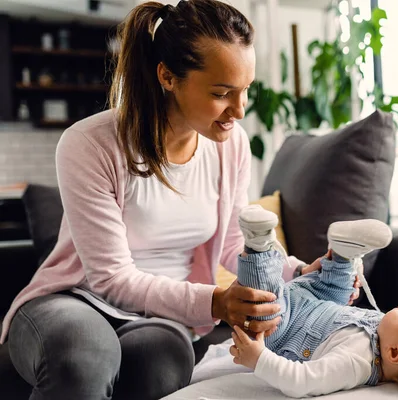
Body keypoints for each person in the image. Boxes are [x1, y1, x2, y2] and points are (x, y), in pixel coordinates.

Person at [2, 1, 355, 399]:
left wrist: (301, 272)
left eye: (245, 91)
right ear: (167, 76)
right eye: (222, 93)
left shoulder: (231, 146)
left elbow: (235, 243)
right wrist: (216, 302)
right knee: (84, 354)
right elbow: (110, 278)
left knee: (165, 358)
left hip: (158, 317)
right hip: (76, 300)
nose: (238, 111)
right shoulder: (90, 144)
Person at [228, 205, 398, 398]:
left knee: (262, 309)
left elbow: (301, 381)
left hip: (283, 329)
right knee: (337, 288)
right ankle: (343, 253)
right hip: (317, 300)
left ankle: (259, 245)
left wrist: (258, 358)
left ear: (395, 353)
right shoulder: (396, 336)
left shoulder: (355, 363)